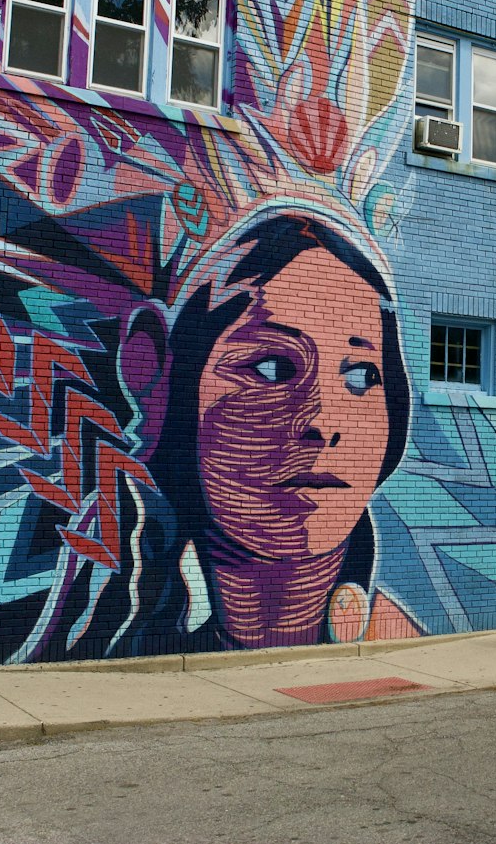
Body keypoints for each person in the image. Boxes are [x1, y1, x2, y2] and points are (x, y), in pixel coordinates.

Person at [113, 210, 416, 654]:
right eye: (271, 368)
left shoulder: (400, 641)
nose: (322, 423)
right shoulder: (104, 623)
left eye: (361, 377)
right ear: (161, 378)